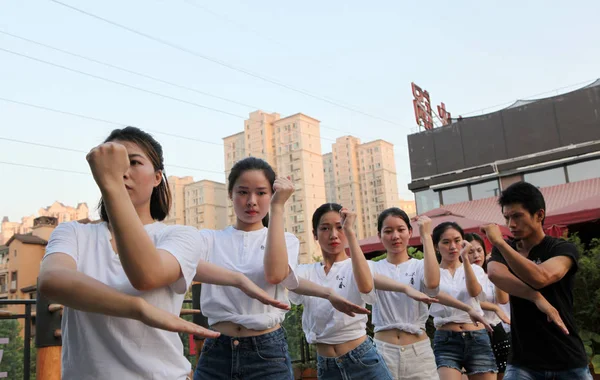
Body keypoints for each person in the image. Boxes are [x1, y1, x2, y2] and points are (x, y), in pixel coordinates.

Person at [39, 127, 283, 380]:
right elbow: (52, 280)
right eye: (114, 165)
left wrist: (112, 187)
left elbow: (147, 274)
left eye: (133, 162)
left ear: (157, 177)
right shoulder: (74, 232)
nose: (122, 172)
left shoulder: (179, 235)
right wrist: (138, 308)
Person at [194, 159, 369, 380]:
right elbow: (182, 265)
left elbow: (276, 274)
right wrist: (238, 279)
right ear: (230, 194)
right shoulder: (209, 239)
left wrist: (278, 208)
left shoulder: (285, 239)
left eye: (261, 193)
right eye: (243, 192)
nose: (252, 201)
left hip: (266, 352)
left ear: (272, 195)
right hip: (217, 351)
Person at [290, 203, 438, 380]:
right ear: (314, 234)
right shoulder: (307, 271)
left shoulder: (361, 267)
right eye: (325, 228)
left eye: (340, 227)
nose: (334, 235)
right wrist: (328, 293)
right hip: (340, 359)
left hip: (372, 355)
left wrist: (426, 237)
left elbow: (431, 284)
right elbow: (286, 278)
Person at [481, 181, 592, 380]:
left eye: (517, 216)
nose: (511, 225)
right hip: (523, 362)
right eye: (506, 218)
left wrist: (498, 241)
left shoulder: (561, 249)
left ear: (539, 215)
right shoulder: (504, 249)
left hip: (567, 359)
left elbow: (542, 277)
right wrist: (535, 297)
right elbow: (495, 275)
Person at [370, 208, 440, 380]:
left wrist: (426, 236)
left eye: (401, 230)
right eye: (388, 231)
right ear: (379, 235)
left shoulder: (419, 266)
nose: (395, 236)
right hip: (383, 351)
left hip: (419, 353)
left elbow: (433, 283)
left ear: (410, 232)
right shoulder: (372, 267)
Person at [428, 222, 497, 380]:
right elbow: (433, 293)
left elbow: (475, 292)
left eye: (457, 241)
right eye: (446, 242)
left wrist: (465, 258)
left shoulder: (475, 269)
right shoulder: (432, 273)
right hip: (446, 337)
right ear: (436, 247)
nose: (453, 246)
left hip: (476, 335)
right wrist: (468, 309)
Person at [465, 233, 511, 379]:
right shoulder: (460, 276)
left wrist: (495, 271)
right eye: (470, 252)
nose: (476, 255)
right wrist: (494, 308)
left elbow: (503, 299)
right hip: (474, 331)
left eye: (479, 250)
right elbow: (467, 301)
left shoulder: (489, 275)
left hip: (497, 330)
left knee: (505, 375)